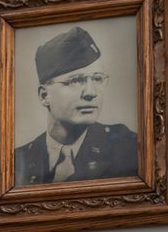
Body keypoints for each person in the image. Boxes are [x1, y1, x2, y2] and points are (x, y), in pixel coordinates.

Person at [15, 25, 138, 186]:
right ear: (44, 96)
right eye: (75, 80)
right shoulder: (18, 162)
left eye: (97, 79)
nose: (91, 92)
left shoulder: (129, 149)